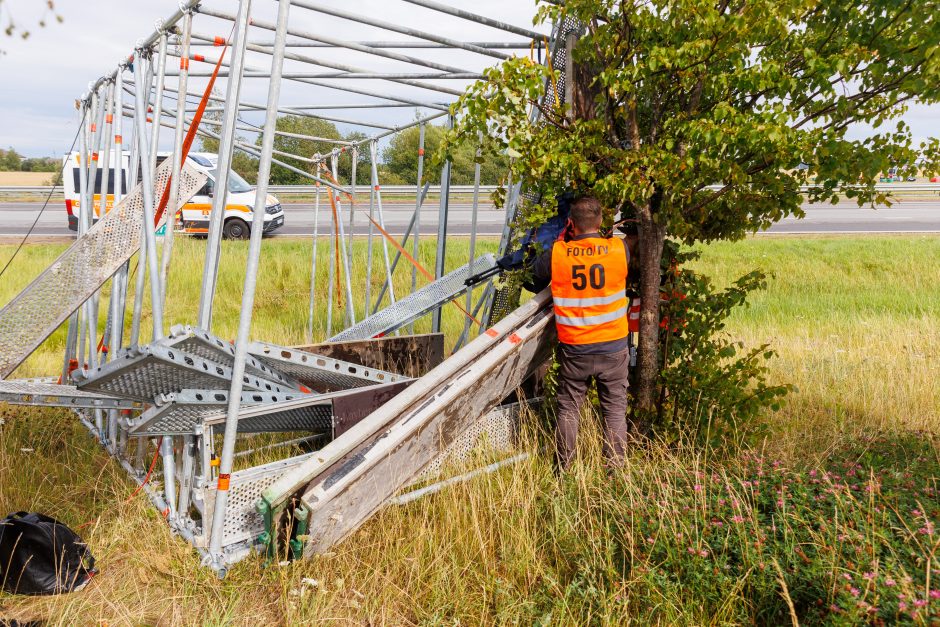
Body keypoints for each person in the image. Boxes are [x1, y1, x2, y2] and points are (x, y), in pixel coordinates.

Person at [531, 196, 631, 472]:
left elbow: (537, 273)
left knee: (569, 410)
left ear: (571, 224)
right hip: (613, 346)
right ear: (600, 222)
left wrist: (562, 239)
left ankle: (563, 469)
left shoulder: (559, 252)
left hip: (575, 347)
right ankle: (615, 470)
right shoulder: (617, 248)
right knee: (613, 411)